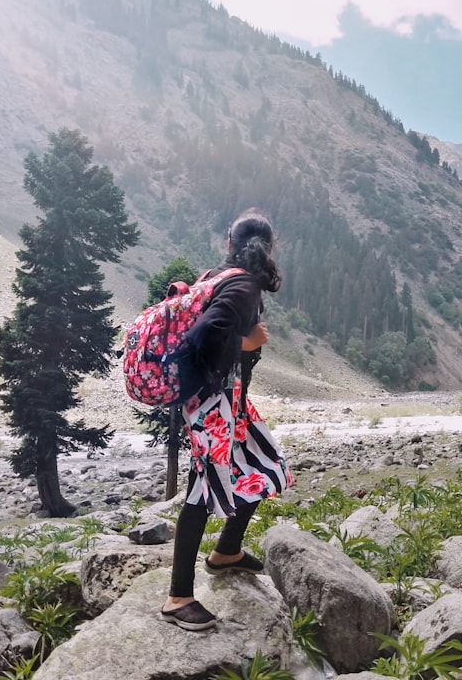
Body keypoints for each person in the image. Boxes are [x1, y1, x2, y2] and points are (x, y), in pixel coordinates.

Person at [160, 209, 293, 631]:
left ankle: (226, 552)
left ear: (229, 243)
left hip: (222, 399)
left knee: (267, 465)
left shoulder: (218, 275)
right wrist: (247, 341)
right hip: (210, 403)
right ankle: (178, 596)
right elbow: (202, 339)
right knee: (202, 490)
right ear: (270, 249)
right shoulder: (242, 285)